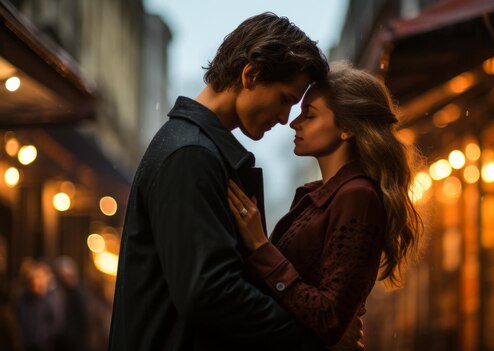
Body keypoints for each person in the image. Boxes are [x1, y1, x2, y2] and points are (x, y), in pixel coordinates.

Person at [108, 12, 330, 351]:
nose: (286, 118)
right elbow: (210, 292)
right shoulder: (191, 154)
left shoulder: (192, 147)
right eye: (285, 98)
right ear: (251, 74)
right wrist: (308, 340)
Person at [227, 62, 423, 349]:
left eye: (310, 115)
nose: (294, 123)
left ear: (346, 128)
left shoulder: (358, 197)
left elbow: (329, 316)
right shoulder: (324, 195)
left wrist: (260, 245)